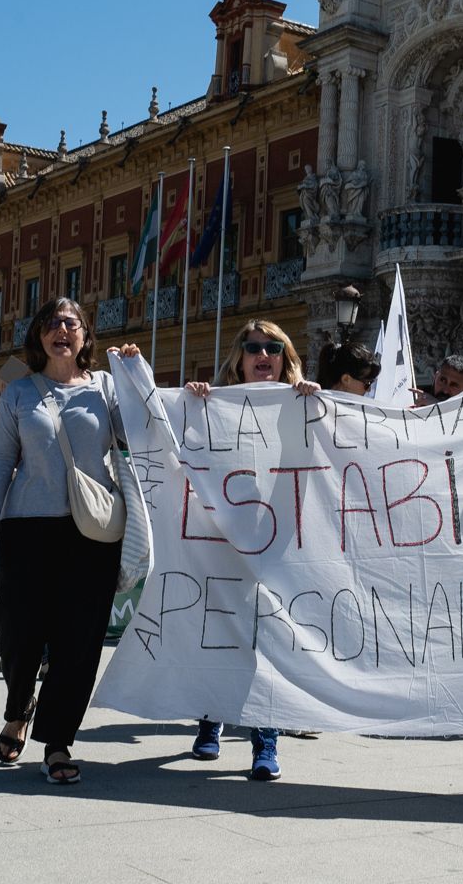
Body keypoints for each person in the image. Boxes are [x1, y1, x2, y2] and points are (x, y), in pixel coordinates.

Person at [0, 299, 132, 786]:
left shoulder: (107, 388)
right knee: (16, 636)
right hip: (26, 530)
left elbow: (146, 436)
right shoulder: (19, 394)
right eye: (51, 323)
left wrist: (135, 374)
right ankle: (19, 706)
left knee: (79, 644)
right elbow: (0, 461)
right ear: (39, 336)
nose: (61, 330)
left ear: (86, 336)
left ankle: (59, 741)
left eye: (71, 323)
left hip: (92, 533)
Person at [184, 319, 320, 781]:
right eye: (254, 347)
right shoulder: (212, 404)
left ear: (286, 358)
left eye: (274, 347)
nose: (264, 354)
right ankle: (210, 720)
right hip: (223, 539)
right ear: (238, 359)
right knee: (221, 635)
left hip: (278, 541)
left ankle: (267, 740)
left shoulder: (306, 402)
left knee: (270, 642)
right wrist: (195, 405)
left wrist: (320, 406)